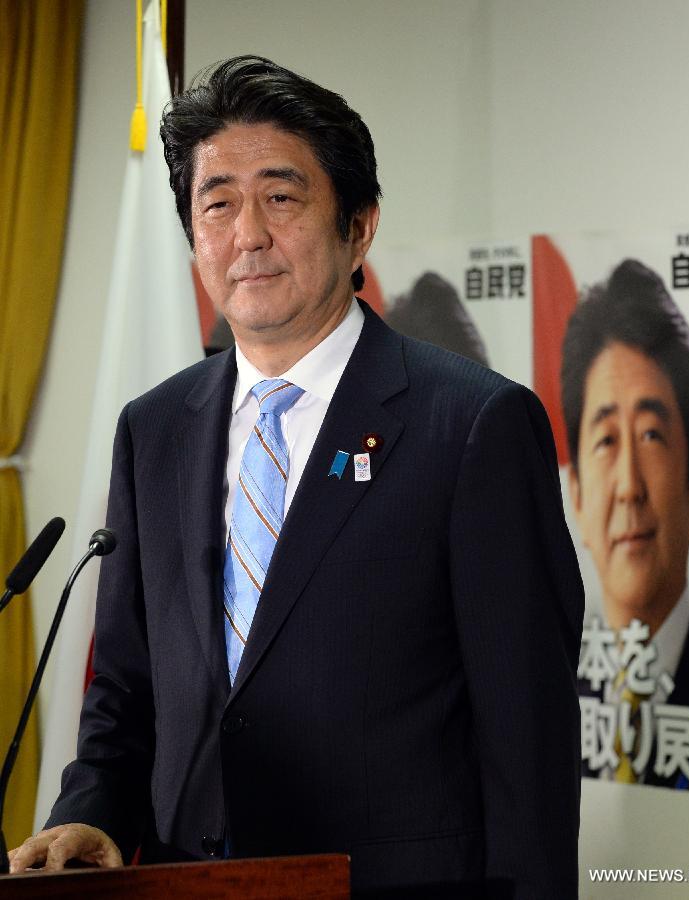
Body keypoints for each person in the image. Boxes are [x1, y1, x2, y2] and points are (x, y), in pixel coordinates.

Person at [11, 56, 583, 896]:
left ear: (359, 225)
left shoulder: (471, 426)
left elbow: (526, 737)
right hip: (187, 885)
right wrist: (93, 810)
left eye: (281, 198)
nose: (247, 234)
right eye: (217, 204)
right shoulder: (154, 430)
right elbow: (128, 693)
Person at [562, 258, 689, 794]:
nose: (628, 487)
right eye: (607, 441)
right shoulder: (547, 707)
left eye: (651, 436)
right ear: (576, 495)